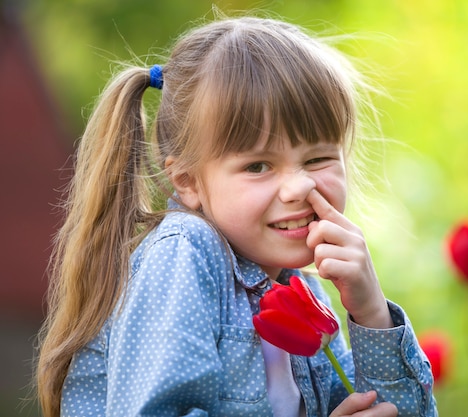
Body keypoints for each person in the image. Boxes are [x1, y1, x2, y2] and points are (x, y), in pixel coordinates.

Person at [36, 12, 438, 417]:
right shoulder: (184, 255)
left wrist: (371, 313)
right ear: (188, 181)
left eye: (317, 158)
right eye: (258, 166)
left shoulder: (302, 290)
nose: (299, 187)